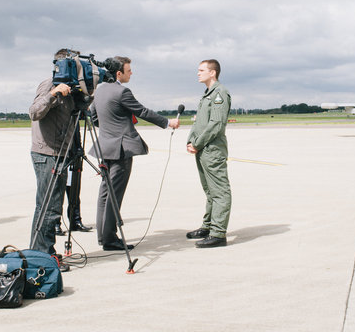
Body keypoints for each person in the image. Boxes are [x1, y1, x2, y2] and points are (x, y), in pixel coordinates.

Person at [90, 56, 179, 251]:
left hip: (104, 147)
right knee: (116, 194)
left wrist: (110, 128)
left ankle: (102, 236)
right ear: (119, 73)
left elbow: (94, 117)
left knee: (105, 193)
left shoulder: (100, 90)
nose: (132, 73)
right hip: (121, 149)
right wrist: (167, 122)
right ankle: (110, 239)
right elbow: (142, 112)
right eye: (129, 70)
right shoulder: (122, 92)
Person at [29, 49, 76, 270]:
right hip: (47, 154)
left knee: (50, 206)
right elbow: (34, 112)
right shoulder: (50, 84)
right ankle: (42, 256)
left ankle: (40, 252)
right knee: (49, 207)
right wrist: (55, 92)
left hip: (60, 154)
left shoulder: (73, 89)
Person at [186, 59, 232, 248]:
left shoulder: (220, 93)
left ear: (213, 73)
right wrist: (190, 140)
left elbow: (216, 124)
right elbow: (200, 122)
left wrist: (196, 143)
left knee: (219, 191)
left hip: (212, 150)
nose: (198, 73)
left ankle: (218, 233)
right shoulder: (207, 94)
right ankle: (208, 226)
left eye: (201, 70)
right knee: (209, 190)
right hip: (203, 149)